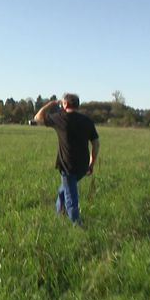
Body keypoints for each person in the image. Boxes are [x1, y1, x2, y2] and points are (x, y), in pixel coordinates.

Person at [33, 93, 100, 224]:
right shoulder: (87, 121)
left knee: (71, 199)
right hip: (83, 166)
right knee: (64, 189)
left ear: (65, 104)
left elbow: (37, 118)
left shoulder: (60, 118)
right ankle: (59, 214)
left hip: (67, 166)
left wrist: (51, 104)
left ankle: (77, 227)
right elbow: (96, 143)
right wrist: (92, 163)